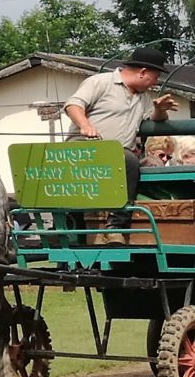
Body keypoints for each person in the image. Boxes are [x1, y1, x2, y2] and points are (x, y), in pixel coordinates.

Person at [64, 46, 178, 245]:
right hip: (86, 147)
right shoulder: (101, 82)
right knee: (128, 159)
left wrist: (160, 110)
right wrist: (85, 125)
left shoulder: (143, 98)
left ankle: (109, 229)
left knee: (127, 158)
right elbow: (73, 105)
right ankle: (116, 226)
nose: (156, 81)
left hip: (116, 156)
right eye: (156, 75)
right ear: (143, 72)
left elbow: (153, 118)